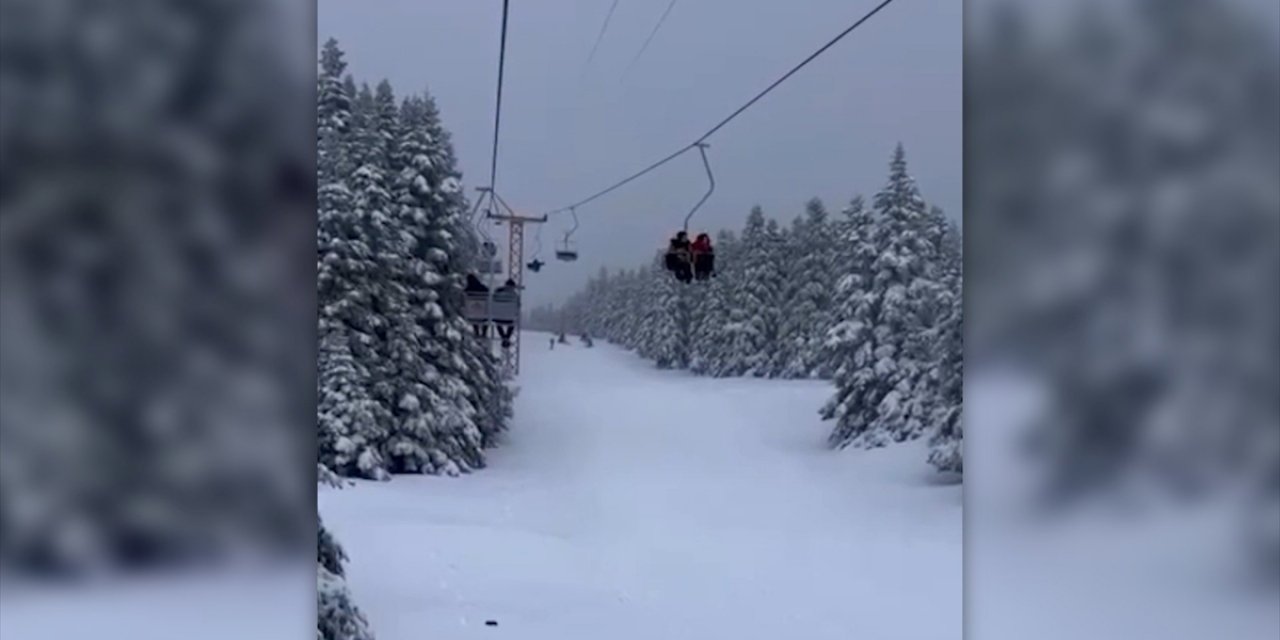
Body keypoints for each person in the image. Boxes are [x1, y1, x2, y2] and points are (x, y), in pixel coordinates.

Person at [492, 279, 519, 348]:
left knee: (498, 323)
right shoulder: (515, 295)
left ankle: (504, 337)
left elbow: (492, 300)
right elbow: (518, 306)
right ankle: (506, 337)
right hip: (509, 318)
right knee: (512, 323)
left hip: (498, 317)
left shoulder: (498, 292)